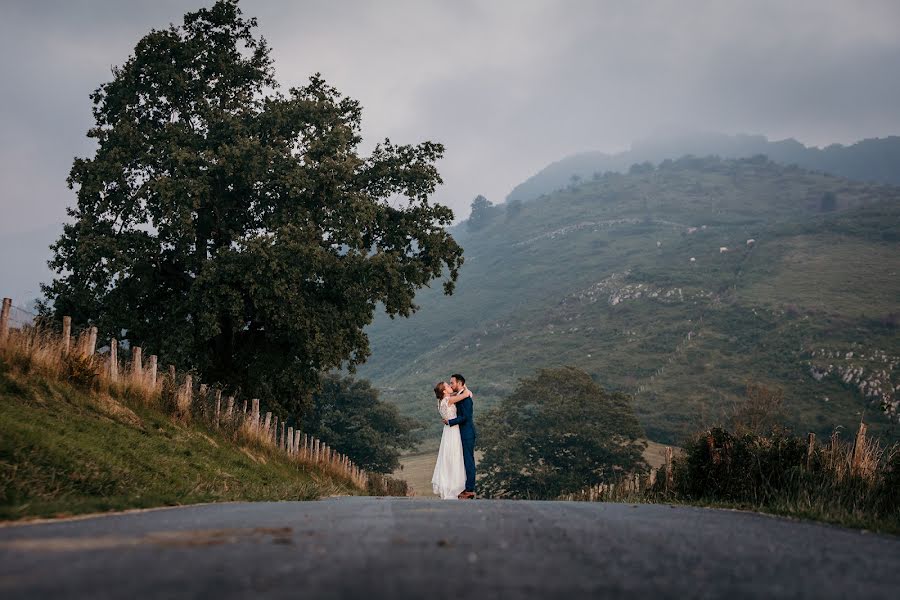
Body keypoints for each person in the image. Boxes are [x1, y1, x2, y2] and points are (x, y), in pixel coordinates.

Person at [442, 374, 477, 499]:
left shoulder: (466, 398)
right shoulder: (461, 394)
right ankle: (464, 487)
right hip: (460, 433)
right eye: (450, 383)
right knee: (463, 460)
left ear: (459, 383)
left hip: (467, 433)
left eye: (452, 383)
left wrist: (450, 422)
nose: (451, 385)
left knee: (468, 460)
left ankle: (470, 489)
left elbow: (466, 417)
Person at [431, 381, 467, 499]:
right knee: (454, 456)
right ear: (444, 391)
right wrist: (465, 388)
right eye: (448, 386)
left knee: (447, 457)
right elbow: (465, 395)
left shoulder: (441, 401)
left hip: (447, 431)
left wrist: (455, 391)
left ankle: (449, 484)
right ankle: (454, 486)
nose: (450, 386)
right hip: (453, 431)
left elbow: (454, 394)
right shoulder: (449, 400)